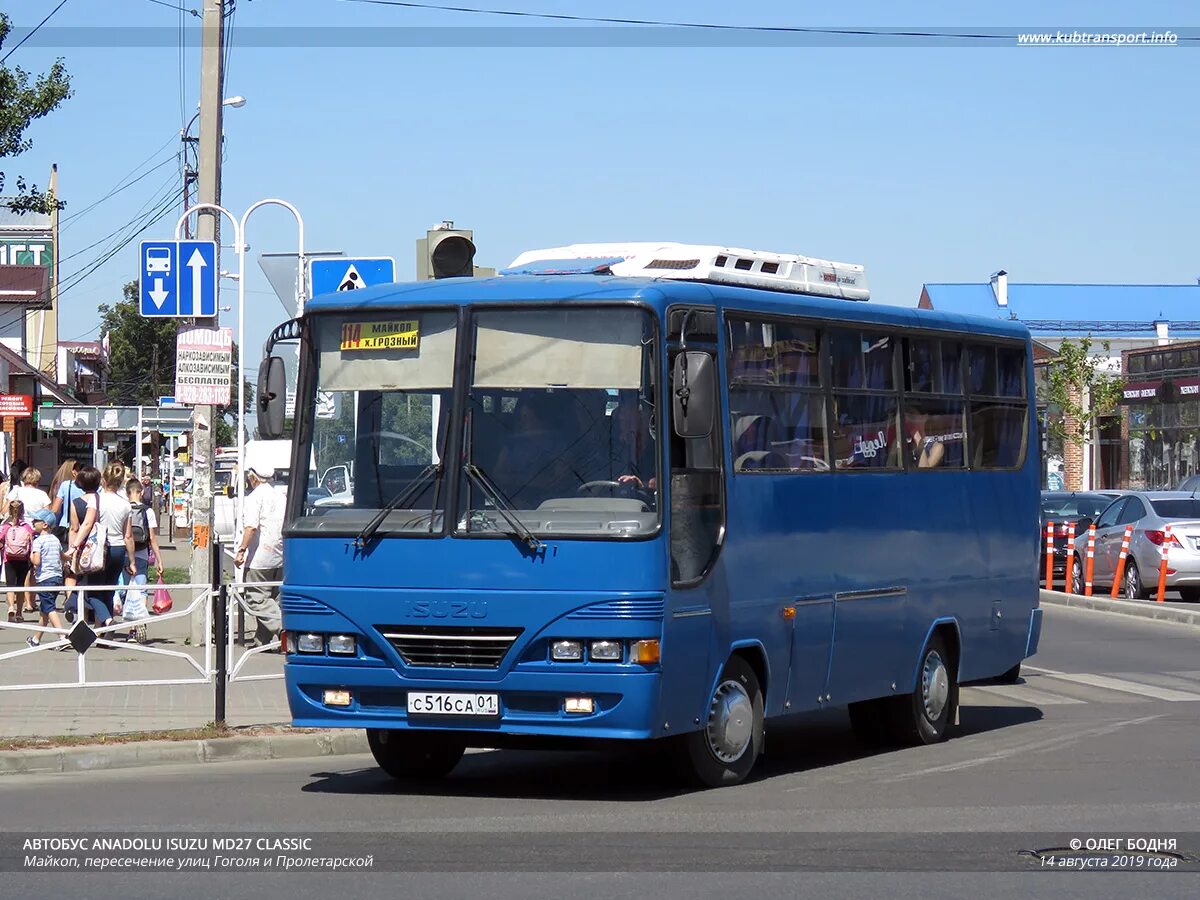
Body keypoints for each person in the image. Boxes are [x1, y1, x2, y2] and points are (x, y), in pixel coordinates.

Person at [234, 465, 283, 647]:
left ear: (253, 478)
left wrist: (241, 550)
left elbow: (251, 527)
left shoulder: (254, 497)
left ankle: (284, 629)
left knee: (256, 599)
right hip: (280, 555)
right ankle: (262, 641)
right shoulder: (280, 496)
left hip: (260, 558)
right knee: (272, 599)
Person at [84, 463, 137, 629]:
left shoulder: (96, 499)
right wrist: (132, 560)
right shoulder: (125, 504)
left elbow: (87, 524)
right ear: (121, 482)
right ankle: (103, 634)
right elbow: (128, 535)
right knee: (109, 590)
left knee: (92, 592)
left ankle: (107, 620)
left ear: (103, 480)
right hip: (118, 549)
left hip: (100, 549)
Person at [120, 478, 163, 642]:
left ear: (127, 492)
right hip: (142, 555)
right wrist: (159, 560)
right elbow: (152, 538)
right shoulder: (148, 511)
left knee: (125, 590)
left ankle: (131, 628)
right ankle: (140, 622)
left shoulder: (124, 509)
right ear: (142, 492)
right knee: (141, 589)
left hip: (124, 554)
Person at [65, 465, 103, 624]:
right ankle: (101, 624)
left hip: (82, 547)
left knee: (82, 581)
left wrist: (71, 550)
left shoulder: (76, 503)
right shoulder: (102, 499)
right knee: (100, 585)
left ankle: (82, 617)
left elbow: (74, 528)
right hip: (101, 546)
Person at [26, 509, 66, 648]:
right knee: (45, 609)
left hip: (44, 578)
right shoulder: (55, 539)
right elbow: (62, 556)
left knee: (49, 608)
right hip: (57, 577)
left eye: (36, 521)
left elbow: (36, 561)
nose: (33, 522)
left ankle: (62, 637)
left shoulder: (38, 541)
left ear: (44, 525)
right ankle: (36, 639)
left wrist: (31, 556)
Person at [610, 394, 658, 491]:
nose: (626, 427)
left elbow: (667, 485)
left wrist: (641, 484)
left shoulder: (661, 451)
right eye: (622, 422)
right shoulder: (611, 451)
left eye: (630, 421)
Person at [2, 500, 34, 622]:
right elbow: (31, 543)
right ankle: (19, 612)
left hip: (8, 559)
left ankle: (11, 607)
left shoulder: (6, 527)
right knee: (20, 586)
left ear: (10, 511)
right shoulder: (27, 527)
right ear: (23, 511)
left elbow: (1, 542)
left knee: (10, 585)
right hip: (23, 559)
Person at [49, 460, 79, 545]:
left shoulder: (62, 485)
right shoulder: (85, 487)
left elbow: (55, 509)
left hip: (65, 525)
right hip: (81, 525)